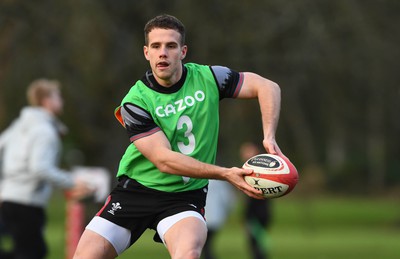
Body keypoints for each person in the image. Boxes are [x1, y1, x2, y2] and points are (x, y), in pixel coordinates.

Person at [73, 14, 283, 259]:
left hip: (184, 198)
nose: (163, 52)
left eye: (171, 46)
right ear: (146, 53)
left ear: (183, 51)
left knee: (189, 253)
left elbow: (268, 87)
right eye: (156, 46)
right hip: (136, 192)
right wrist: (225, 173)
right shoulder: (135, 102)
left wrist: (269, 137)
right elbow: (164, 160)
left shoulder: (210, 78)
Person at [0, 78, 93, 259]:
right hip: (27, 201)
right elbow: (40, 168)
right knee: (32, 253)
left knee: (29, 251)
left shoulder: (19, 125)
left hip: (9, 198)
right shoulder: (44, 131)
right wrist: (72, 182)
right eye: (58, 96)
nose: (62, 101)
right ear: (47, 101)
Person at [240, 142, 273, 259]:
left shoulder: (257, 172)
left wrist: (248, 217)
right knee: (256, 243)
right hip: (257, 213)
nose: (244, 154)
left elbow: (254, 199)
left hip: (258, 214)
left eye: (247, 151)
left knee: (256, 244)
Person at [202, 179, 235, 259]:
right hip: (215, 218)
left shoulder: (197, 180)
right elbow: (227, 198)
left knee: (204, 243)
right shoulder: (219, 180)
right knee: (206, 243)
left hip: (201, 217)